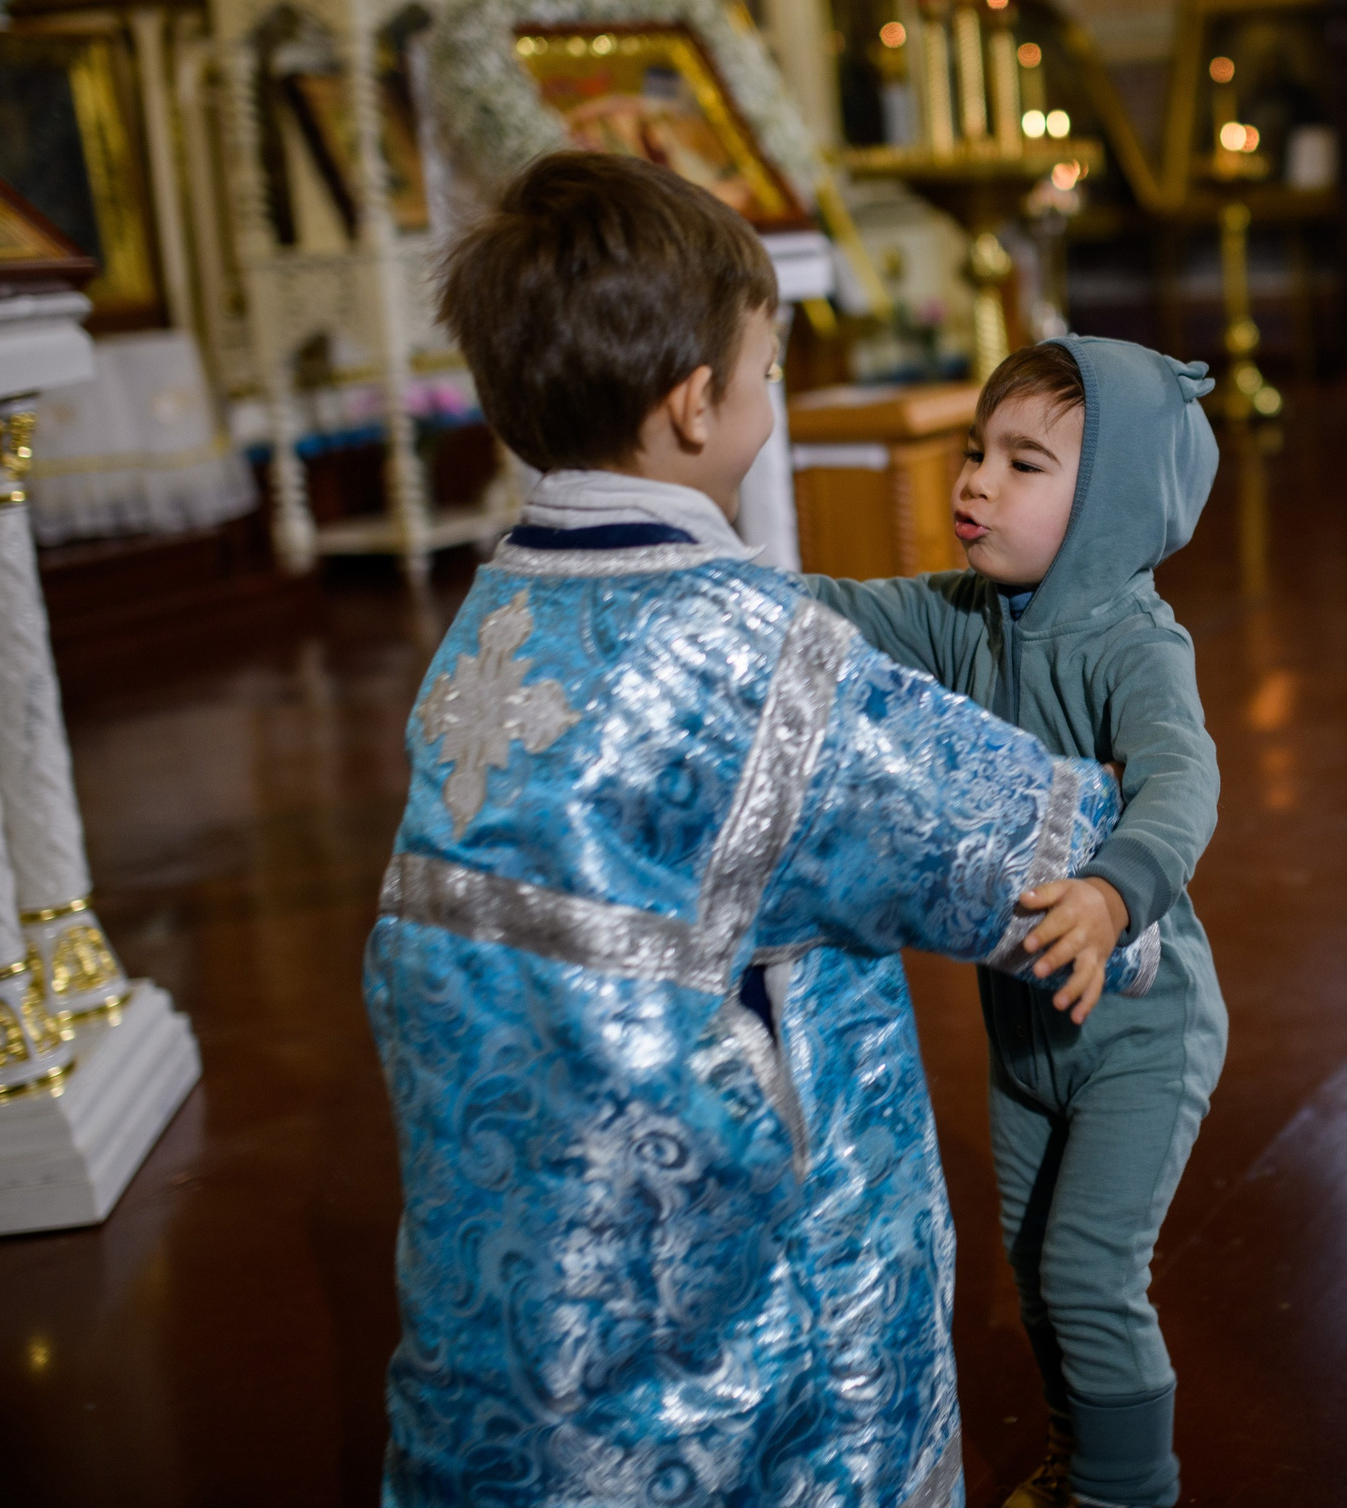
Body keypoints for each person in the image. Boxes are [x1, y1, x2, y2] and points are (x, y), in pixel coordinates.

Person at [363, 152, 1149, 1508]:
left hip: (517, 1245)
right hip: (717, 1282)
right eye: (770, 366)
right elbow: (999, 842)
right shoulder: (756, 657)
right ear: (693, 402)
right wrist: (1123, 818)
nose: (770, 394)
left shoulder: (489, 622)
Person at [805, 338, 1227, 1508]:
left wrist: (1111, 889)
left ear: (1108, 507)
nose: (976, 481)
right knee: (1036, 1276)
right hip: (1027, 1031)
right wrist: (703, 583)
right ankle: (1077, 1458)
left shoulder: (1134, 644)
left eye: (1023, 463)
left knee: (1090, 1272)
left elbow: (1182, 778)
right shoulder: (963, 618)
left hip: (1140, 1029)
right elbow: (837, 611)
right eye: (975, 451)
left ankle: (1128, 1494)